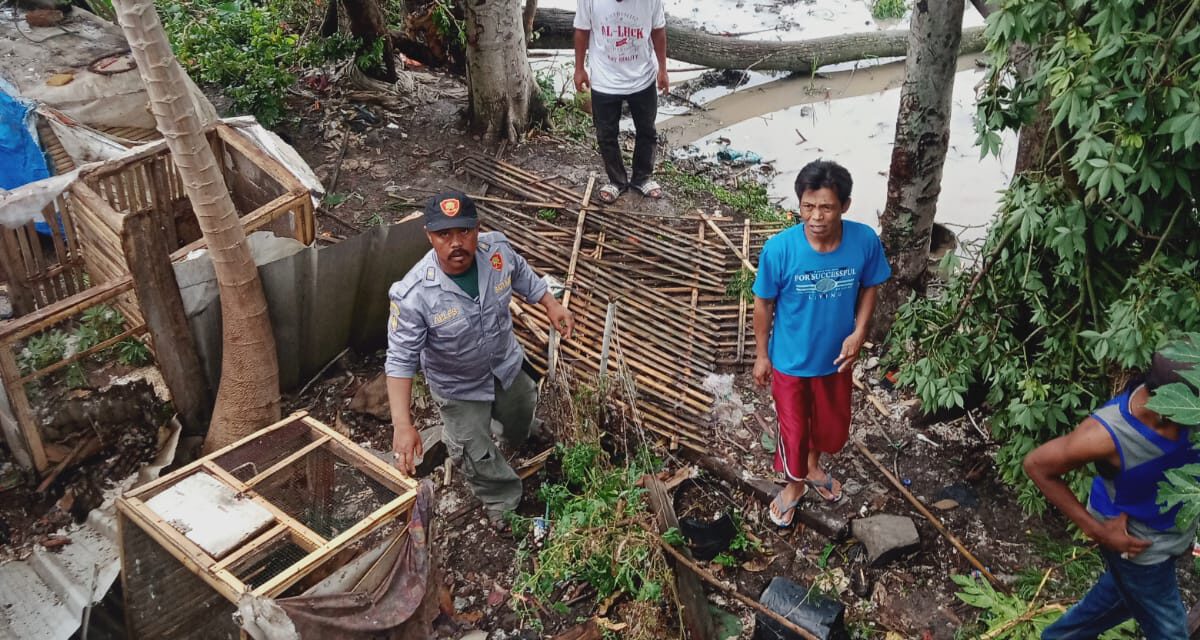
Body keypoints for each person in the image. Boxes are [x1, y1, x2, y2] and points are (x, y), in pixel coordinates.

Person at [385, 191, 574, 530]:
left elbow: (522, 275)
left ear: (478, 229)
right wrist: (402, 424)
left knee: (522, 408)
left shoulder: (497, 251)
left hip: (505, 364)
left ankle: (520, 432)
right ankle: (503, 502)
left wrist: (550, 303)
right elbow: (400, 361)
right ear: (429, 236)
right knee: (476, 454)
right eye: (444, 234)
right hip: (459, 388)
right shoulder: (414, 295)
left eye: (464, 231)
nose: (456, 243)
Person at [1024, 340, 1200, 639]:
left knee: (1117, 600)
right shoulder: (1106, 434)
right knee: (1171, 632)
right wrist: (1097, 531)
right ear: (1168, 404)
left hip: (1170, 534)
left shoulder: (1186, 416)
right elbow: (1037, 465)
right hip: (1141, 547)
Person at [751, 160, 891, 527]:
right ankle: (794, 485)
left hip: (836, 360)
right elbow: (763, 302)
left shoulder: (864, 241)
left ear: (844, 205)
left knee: (830, 427)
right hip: (791, 362)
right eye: (807, 207)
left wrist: (860, 332)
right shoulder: (779, 249)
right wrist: (762, 355)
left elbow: (871, 285)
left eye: (826, 207)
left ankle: (813, 466)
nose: (816, 217)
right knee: (794, 430)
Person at [573, 0, 668, 204]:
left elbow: (658, 30)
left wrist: (663, 69)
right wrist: (579, 68)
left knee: (647, 131)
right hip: (604, 79)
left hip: (642, 77)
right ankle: (617, 181)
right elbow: (582, 30)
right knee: (606, 134)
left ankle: (642, 178)